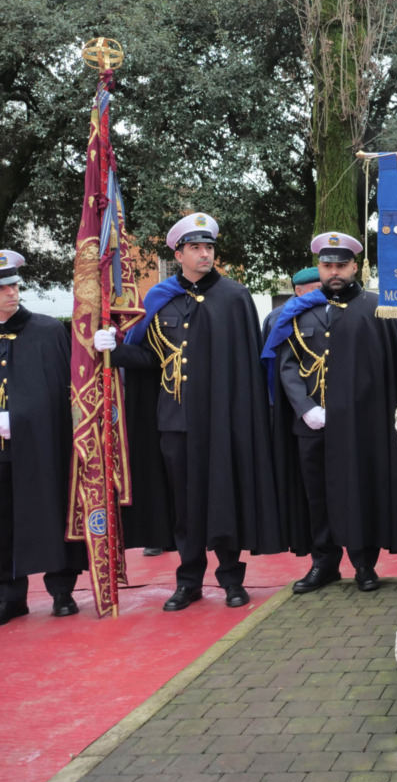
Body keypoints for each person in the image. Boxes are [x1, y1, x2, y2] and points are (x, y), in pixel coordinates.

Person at [95, 214, 280, 611]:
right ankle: (189, 580)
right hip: (174, 420)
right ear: (178, 254)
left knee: (224, 497)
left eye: (209, 247)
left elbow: (247, 366)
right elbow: (148, 357)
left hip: (224, 420)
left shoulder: (234, 297)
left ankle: (231, 578)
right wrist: (112, 348)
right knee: (185, 504)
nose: (204, 254)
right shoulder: (159, 298)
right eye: (195, 248)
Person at [265, 231, 397, 593]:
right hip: (312, 423)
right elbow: (287, 365)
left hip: (360, 424)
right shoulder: (297, 311)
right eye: (327, 265)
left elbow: (386, 369)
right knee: (316, 494)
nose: (334, 271)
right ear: (318, 268)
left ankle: (364, 564)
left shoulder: (375, 308)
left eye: (341, 265)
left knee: (360, 489)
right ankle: (323, 563)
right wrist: (305, 409)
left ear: (355, 267)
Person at [0, 251, 86, 624]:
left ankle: (62, 591)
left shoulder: (48, 331)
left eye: (15, 285)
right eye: (3, 288)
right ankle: (10, 595)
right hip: (3, 451)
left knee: (52, 511)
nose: (11, 293)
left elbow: (63, 391)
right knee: (3, 521)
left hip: (44, 445)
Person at [263, 267, 322, 340]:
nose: (322, 293)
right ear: (299, 291)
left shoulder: (330, 310)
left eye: (324, 289)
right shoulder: (277, 317)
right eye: (317, 289)